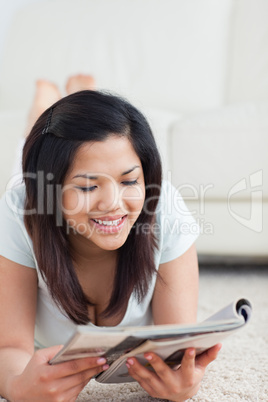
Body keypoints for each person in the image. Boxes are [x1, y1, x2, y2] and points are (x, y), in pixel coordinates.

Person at [0, 79, 221, 401]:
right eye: (88, 187)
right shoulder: (18, 209)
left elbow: (178, 346)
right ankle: (47, 101)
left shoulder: (165, 207)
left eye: (129, 180)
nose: (113, 204)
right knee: (27, 153)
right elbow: (8, 349)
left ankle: (76, 97)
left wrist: (184, 382)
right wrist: (16, 386)